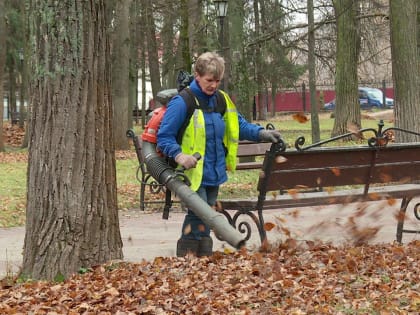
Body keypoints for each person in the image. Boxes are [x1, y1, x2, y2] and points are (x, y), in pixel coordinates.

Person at [157, 51, 281, 257]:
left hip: (214, 172)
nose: (213, 85)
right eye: (209, 80)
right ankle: (189, 257)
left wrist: (262, 133)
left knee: (205, 214)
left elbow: (238, 126)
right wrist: (180, 156)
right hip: (190, 172)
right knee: (201, 212)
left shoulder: (221, 100)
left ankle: (199, 257)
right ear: (197, 75)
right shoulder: (183, 102)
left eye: (217, 81)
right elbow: (164, 137)